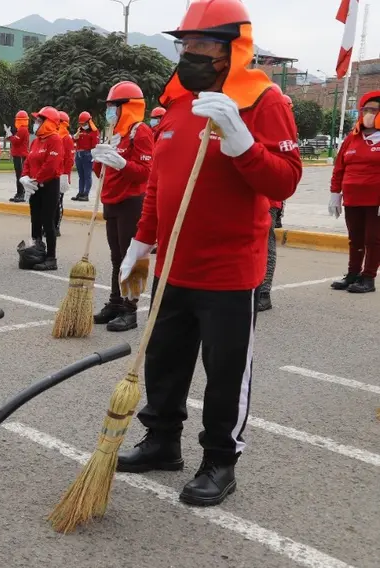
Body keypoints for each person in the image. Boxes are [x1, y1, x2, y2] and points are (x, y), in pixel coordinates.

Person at [115, 0, 302, 507]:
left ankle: (220, 459)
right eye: (185, 44)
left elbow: (285, 179)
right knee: (164, 360)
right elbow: (158, 181)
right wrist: (141, 242)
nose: (188, 53)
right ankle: (161, 441)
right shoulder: (178, 103)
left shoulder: (264, 101)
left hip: (228, 269)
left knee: (224, 372)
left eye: (199, 44)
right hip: (174, 264)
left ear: (229, 50)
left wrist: (241, 142)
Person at [89, 81, 154, 333]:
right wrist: (99, 157)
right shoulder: (114, 133)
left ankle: (130, 309)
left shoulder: (141, 132)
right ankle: (116, 302)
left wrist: (121, 163)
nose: (109, 111)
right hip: (112, 199)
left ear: (127, 107)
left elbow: (145, 172)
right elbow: (102, 172)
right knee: (117, 256)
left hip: (132, 201)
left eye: (113, 106)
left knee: (133, 256)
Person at [328, 89, 380, 295]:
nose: (369, 114)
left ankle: (368, 277)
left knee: (373, 239)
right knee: (355, 238)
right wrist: (335, 194)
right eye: (366, 109)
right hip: (352, 198)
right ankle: (352, 274)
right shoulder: (352, 138)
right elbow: (339, 167)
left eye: (374, 110)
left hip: (376, 200)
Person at [260, 85, 296, 308]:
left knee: (266, 244)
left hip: (269, 198)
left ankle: (264, 292)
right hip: (252, 196)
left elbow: (285, 168)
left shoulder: (282, 131)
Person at [19, 107, 64, 271]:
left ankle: (51, 257)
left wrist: (36, 180)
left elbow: (51, 166)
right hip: (34, 186)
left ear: (48, 122)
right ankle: (37, 251)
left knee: (48, 221)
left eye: (39, 120)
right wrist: (24, 178)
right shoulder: (36, 140)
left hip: (49, 185)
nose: (36, 123)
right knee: (35, 220)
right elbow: (28, 161)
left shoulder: (55, 140)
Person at [72, 111, 99, 201]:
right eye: (81, 123)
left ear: (89, 122)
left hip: (88, 154)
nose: (83, 125)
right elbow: (74, 141)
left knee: (87, 175)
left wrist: (93, 156)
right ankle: (80, 193)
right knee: (81, 176)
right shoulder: (80, 130)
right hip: (79, 154)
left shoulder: (94, 131)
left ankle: (86, 194)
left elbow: (95, 145)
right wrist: (74, 137)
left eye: (84, 123)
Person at [57, 111, 76, 235]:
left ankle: (56, 226)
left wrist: (65, 176)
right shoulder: (55, 136)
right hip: (53, 174)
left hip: (61, 175)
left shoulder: (66, 138)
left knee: (58, 202)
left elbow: (69, 159)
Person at [7, 110, 31, 203]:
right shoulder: (23, 129)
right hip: (19, 154)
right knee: (19, 175)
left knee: (20, 175)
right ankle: (19, 193)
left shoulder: (22, 130)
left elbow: (16, 141)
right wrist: (11, 136)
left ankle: (21, 193)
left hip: (20, 155)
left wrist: (10, 136)